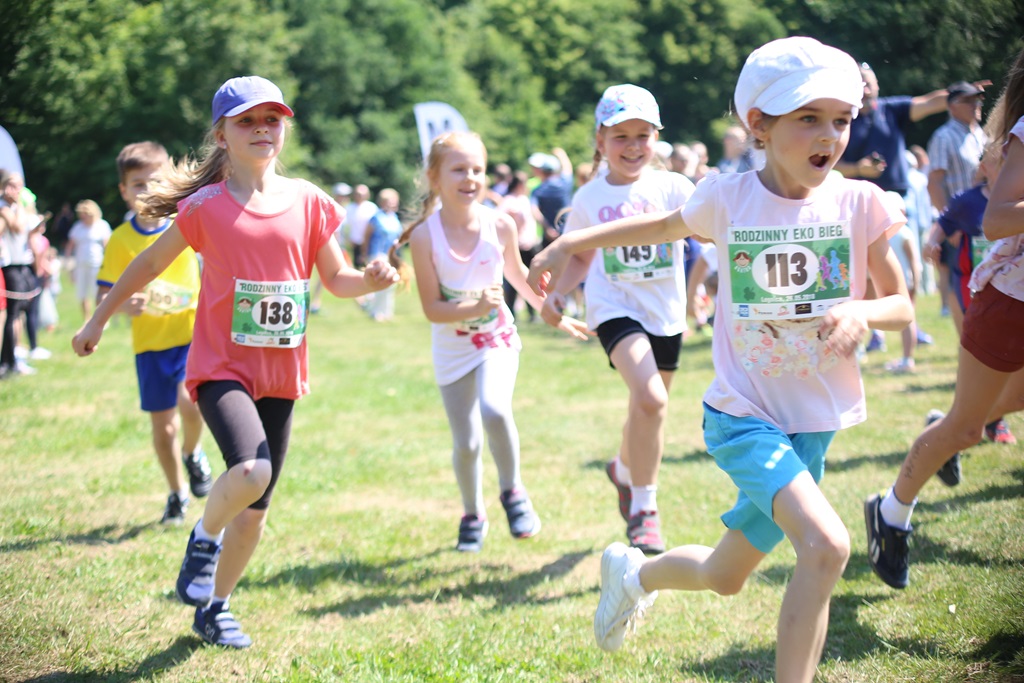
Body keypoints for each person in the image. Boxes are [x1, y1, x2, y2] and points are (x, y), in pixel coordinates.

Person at [527, 37, 912, 682]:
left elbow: (900, 302)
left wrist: (861, 312)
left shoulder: (859, 202)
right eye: (808, 118)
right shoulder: (727, 199)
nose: (831, 136)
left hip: (811, 426)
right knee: (826, 547)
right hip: (743, 417)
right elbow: (650, 228)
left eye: (841, 119)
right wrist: (566, 242)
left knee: (724, 575)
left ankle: (634, 574)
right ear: (757, 124)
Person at [72, 76, 399, 648]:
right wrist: (98, 317)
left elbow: (337, 279)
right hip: (220, 367)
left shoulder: (312, 203)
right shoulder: (204, 207)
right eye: (246, 121)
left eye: (272, 119)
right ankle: (202, 537)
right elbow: (148, 265)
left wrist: (368, 281)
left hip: (281, 372)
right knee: (251, 471)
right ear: (221, 135)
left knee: (255, 512)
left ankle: (215, 607)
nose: (261, 129)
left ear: (285, 128)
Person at [865, 48, 1024, 591]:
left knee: (973, 419)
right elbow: (998, 217)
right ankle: (890, 512)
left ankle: (950, 422)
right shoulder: (1012, 134)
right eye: (965, 100)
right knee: (965, 426)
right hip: (1010, 298)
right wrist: (939, 227)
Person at [388, 131, 588, 553]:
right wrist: (475, 305)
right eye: (458, 169)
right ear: (434, 178)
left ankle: (513, 492)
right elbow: (432, 310)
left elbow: (518, 276)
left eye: (477, 169)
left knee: (495, 410)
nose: (470, 177)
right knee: (466, 444)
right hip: (451, 346)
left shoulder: (500, 223)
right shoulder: (425, 237)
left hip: (496, 337)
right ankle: (471, 513)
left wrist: (551, 311)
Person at [539, 84, 696, 555]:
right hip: (614, 308)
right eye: (621, 136)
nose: (632, 146)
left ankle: (623, 471)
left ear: (656, 138)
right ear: (600, 140)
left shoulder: (673, 187)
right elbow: (582, 256)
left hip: (666, 312)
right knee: (650, 400)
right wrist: (560, 293)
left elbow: (711, 231)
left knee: (645, 409)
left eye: (643, 135)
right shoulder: (588, 198)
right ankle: (645, 510)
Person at [95, 141, 214, 526]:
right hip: (150, 347)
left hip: (191, 335)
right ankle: (177, 493)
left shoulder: (188, 222)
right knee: (163, 429)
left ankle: (194, 453)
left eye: (155, 181)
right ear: (124, 191)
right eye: (138, 184)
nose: (147, 190)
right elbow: (105, 291)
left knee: (191, 403)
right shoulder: (120, 240)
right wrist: (123, 306)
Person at [927, 80, 990, 335]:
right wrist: (949, 226)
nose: (976, 104)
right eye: (969, 100)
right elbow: (934, 183)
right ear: (952, 106)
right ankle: (966, 350)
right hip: (960, 228)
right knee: (961, 290)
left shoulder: (981, 134)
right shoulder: (944, 136)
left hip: (987, 225)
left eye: (978, 99)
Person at [1, 170, 43, 377]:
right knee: (13, 314)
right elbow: (18, 228)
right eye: (11, 185)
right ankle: (9, 360)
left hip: (22, 263)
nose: (15, 190)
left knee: (24, 308)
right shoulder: (4, 207)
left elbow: (27, 231)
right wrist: (20, 207)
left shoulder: (16, 207)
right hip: (9, 264)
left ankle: (14, 356)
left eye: (18, 186)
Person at [882, 191, 923, 374]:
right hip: (901, 281)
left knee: (907, 320)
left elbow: (914, 260)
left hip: (905, 282)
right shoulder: (891, 234)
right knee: (906, 320)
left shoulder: (902, 233)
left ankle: (908, 358)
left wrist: (915, 279)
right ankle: (906, 357)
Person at [499, 171, 542, 322]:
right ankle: (511, 312)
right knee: (513, 278)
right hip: (516, 245)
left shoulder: (525, 199)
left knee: (532, 278)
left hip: (530, 244)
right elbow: (503, 222)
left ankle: (532, 311)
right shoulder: (508, 201)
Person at [65, 199, 112, 320]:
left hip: (97, 264)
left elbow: (108, 246)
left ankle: (100, 318)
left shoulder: (102, 226)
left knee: (98, 292)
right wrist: (69, 262)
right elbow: (71, 245)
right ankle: (86, 318)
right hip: (81, 264)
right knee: (82, 293)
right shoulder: (78, 227)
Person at [363, 187, 402, 322]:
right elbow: (367, 236)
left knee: (391, 284)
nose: (391, 204)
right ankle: (375, 311)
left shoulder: (394, 217)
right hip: (377, 255)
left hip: (391, 256)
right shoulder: (376, 217)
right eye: (388, 201)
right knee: (380, 283)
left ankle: (387, 311)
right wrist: (364, 254)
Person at [529, 148, 573, 246]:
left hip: (549, 238)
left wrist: (547, 228)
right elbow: (567, 168)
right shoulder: (565, 183)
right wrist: (562, 154)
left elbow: (534, 211)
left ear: (542, 171)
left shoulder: (537, 191)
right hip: (567, 232)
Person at [344, 184, 378, 269]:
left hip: (369, 243)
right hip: (354, 243)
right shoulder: (349, 208)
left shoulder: (372, 207)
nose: (360, 196)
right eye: (358, 194)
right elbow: (345, 226)